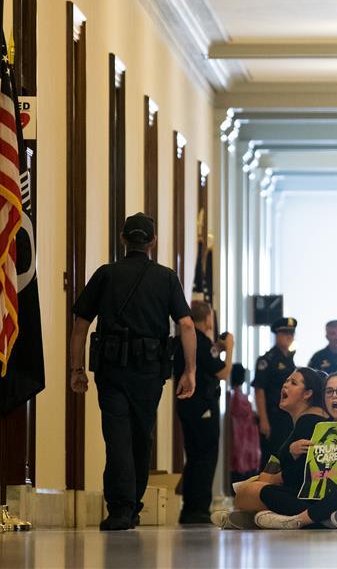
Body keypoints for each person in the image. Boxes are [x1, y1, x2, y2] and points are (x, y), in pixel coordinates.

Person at [68, 212, 196, 531]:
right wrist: (190, 370)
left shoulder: (105, 275)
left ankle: (120, 509)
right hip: (149, 372)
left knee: (117, 437)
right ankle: (131, 505)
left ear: (123, 239)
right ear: (153, 241)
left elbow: (81, 325)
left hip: (111, 370)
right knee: (141, 435)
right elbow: (187, 325)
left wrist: (77, 368)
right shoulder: (166, 278)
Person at [253, 368, 337, 530]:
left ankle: (297, 521)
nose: (334, 396)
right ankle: (323, 520)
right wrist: (292, 451)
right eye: (329, 392)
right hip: (323, 491)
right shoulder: (324, 427)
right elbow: (307, 469)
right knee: (268, 492)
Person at [174, 301, 233, 524]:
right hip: (203, 407)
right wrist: (230, 348)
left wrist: (217, 349)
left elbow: (205, 361)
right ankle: (198, 509)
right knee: (205, 457)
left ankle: (190, 507)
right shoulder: (201, 340)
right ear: (208, 318)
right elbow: (223, 372)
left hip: (188, 406)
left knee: (194, 455)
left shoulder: (187, 341)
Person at [253, 317, 298, 468]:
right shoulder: (267, 360)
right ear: (277, 335)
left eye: (291, 333)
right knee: (270, 456)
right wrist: (264, 420)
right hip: (272, 415)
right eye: (285, 332)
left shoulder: (290, 360)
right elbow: (259, 390)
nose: (289, 336)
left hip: (287, 416)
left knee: (285, 455)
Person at [228, 363, 260, 486]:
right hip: (243, 434)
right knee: (242, 460)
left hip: (245, 433)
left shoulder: (237, 395)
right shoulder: (236, 395)